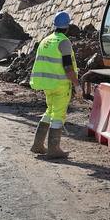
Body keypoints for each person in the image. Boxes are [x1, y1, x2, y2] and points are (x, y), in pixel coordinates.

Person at [29, 10, 78, 160]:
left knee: (50, 111)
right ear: (67, 27)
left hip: (47, 85)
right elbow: (68, 67)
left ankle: (37, 145)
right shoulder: (64, 42)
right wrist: (77, 85)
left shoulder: (45, 40)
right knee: (58, 115)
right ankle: (54, 149)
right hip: (60, 85)